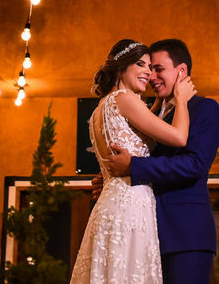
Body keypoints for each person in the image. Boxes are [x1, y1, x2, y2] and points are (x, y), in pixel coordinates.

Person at [69, 39, 196, 284]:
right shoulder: (125, 99)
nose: (148, 72)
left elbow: (145, 126)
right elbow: (179, 137)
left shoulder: (101, 108)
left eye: (151, 66)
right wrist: (180, 100)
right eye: (141, 64)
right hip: (130, 206)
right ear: (121, 67)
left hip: (110, 204)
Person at [103, 39, 219, 284]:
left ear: (181, 71)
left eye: (158, 69)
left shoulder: (205, 108)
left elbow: (194, 165)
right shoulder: (153, 111)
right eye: (148, 69)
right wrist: (115, 178)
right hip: (147, 233)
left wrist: (133, 167)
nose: (151, 76)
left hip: (185, 235)